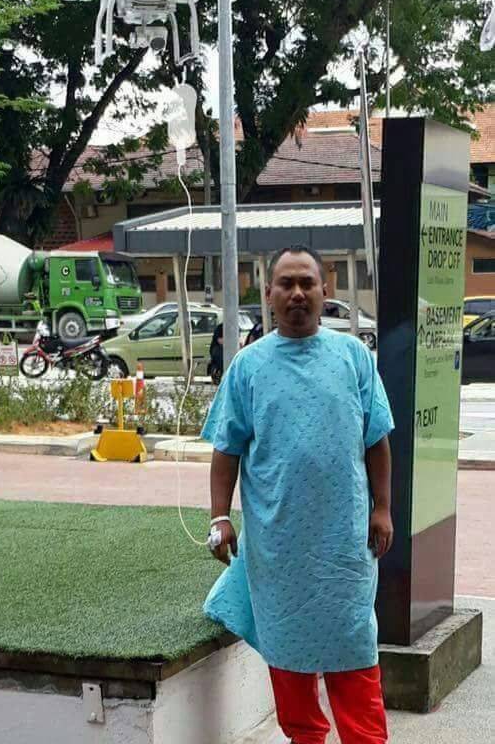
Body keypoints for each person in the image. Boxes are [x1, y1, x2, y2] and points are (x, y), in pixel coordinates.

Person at [201, 245, 394, 744]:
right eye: (286, 283)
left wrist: (382, 507)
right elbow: (226, 450)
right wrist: (220, 518)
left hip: (344, 545)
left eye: (307, 282)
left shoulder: (353, 357)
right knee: (289, 661)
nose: (297, 293)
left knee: (355, 653)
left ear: (326, 290)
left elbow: (377, 439)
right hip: (278, 549)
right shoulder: (247, 366)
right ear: (268, 293)